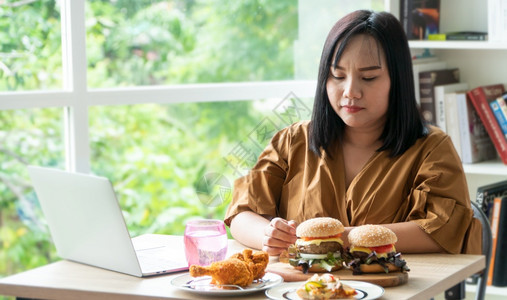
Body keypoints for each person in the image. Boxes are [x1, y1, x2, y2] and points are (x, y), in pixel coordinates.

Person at [224, 10, 481, 256]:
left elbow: (442, 231)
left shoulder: (431, 149)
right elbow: (241, 213)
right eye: (337, 75)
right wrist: (268, 235)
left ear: (398, 80)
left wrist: (338, 239)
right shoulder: (292, 141)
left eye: (368, 78)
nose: (350, 91)